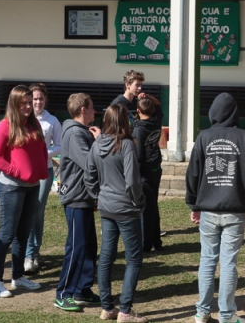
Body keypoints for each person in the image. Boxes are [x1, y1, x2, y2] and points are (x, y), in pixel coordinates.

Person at [186, 93, 245, 323]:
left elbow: (193, 173)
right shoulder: (244, 138)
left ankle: (202, 312)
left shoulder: (203, 137)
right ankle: (227, 315)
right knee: (228, 262)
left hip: (208, 209)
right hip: (235, 209)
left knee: (207, 259)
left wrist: (194, 204)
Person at [85, 104, 147, 323]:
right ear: (124, 121)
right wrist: (139, 201)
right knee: (134, 260)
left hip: (106, 207)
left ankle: (107, 307)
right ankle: (125, 311)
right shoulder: (127, 144)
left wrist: (98, 196)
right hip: (126, 209)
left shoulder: (97, 144)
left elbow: (89, 175)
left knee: (106, 257)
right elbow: (132, 180)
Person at [0, 85, 49, 298]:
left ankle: (18, 276)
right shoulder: (4, 126)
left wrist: (41, 169)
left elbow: (41, 149)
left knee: (23, 234)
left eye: (30, 102)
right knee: (6, 234)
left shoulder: (34, 124)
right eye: (23, 103)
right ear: (13, 104)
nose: (28, 106)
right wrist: (16, 171)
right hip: (11, 187)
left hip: (32, 187)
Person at [54, 93, 101, 312]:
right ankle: (63, 293)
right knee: (76, 247)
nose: (95, 111)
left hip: (85, 197)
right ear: (83, 109)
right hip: (75, 197)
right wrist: (99, 142)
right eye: (92, 107)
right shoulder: (75, 134)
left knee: (89, 246)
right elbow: (90, 164)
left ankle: (82, 289)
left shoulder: (81, 133)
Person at [25, 82, 62, 274]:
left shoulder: (52, 121)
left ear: (45, 100)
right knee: (28, 211)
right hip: (24, 172)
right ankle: (27, 253)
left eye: (40, 99)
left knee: (37, 211)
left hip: (44, 171)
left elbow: (59, 145)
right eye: (34, 99)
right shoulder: (24, 118)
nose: (37, 102)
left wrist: (43, 153)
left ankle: (33, 253)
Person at [133, 97, 163, 252]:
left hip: (144, 173)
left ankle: (146, 244)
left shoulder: (138, 129)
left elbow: (138, 156)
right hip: (155, 170)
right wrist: (148, 98)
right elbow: (158, 104)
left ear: (138, 111)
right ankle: (156, 240)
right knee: (153, 206)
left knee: (146, 210)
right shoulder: (156, 120)